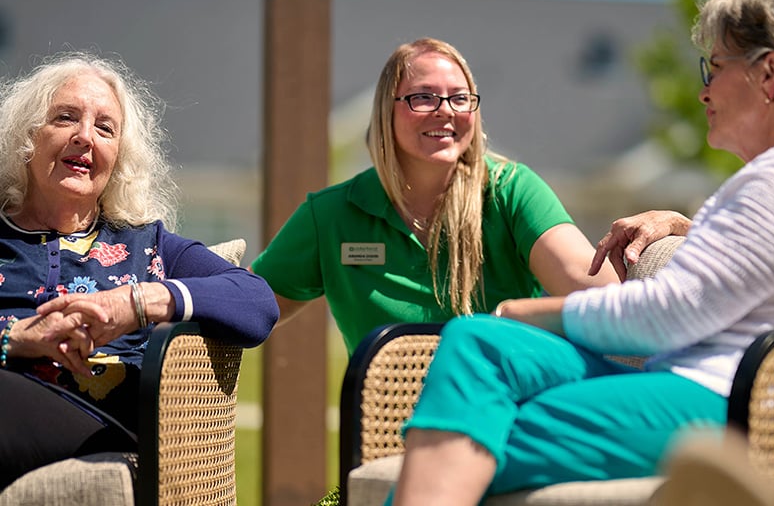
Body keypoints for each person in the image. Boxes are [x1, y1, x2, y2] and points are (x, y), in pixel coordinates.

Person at [388, 0, 774, 505]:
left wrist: (529, 312)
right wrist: (687, 226)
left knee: (468, 438)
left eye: (715, 67)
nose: (704, 89)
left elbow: (668, 314)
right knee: (476, 342)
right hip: (697, 384)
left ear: (769, 73)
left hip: (723, 400)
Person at [0, 51, 279, 488]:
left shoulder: (147, 244)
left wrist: (139, 301)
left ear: (119, 158)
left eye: (105, 128)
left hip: (105, 428)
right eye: (66, 118)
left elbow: (257, 303)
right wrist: (14, 339)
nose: (85, 137)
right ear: (27, 135)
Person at [250, 37, 619, 355]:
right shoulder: (331, 214)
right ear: (385, 110)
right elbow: (252, 303)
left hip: (506, 419)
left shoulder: (512, 190)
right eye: (424, 97)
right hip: (384, 428)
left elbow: (602, 299)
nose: (445, 110)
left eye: (460, 98)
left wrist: (513, 316)